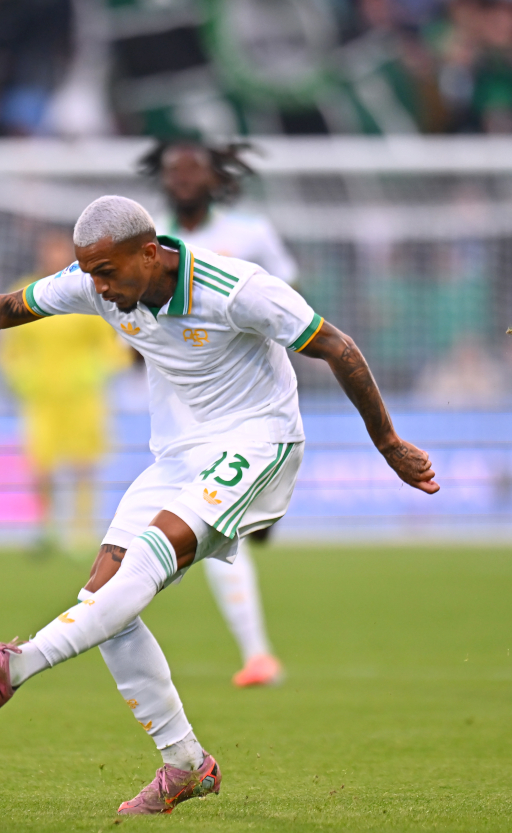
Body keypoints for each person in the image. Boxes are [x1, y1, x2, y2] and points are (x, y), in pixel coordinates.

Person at [0, 195, 437, 816]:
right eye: (90, 274)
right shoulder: (95, 281)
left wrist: (388, 443)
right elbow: (3, 308)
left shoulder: (237, 289)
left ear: (150, 253)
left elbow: (338, 347)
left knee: (141, 570)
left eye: (108, 272)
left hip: (259, 441)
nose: (99, 288)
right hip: (181, 454)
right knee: (102, 600)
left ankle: (13, 667)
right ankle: (185, 764)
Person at [139, 137, 297, 687]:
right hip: (177, 409)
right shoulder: (147, 243)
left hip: (247, 400)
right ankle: (258, 655)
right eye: (172, 171)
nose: (182, 178)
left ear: (214, 176)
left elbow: (285, 302)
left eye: (193, 169)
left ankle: (257, 654)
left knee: (206, 528)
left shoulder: (249, 234)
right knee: (205, 530)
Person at [0, 228, 129, 551]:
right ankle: (46, 526)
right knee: (41, 466)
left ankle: (81, 530)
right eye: (48, 250)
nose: (53, 257)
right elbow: (9, 347)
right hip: (42, 396)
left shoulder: (89, 291)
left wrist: (95, 371)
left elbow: (116, 345)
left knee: (85, 464)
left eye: (59, 251)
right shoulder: (22, 292)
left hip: (83, 396)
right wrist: (20, 376)